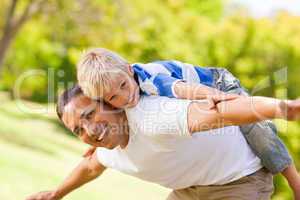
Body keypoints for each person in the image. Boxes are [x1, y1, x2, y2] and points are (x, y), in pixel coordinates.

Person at [76, 48, 300, 198]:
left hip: (214, 83)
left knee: (257, 129)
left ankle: (293, 179)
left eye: (124, 86)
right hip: (195, 96)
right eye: (113, 98)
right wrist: (97, 141)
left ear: (129, 69)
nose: (125, 98)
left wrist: (212, 95)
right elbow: (115, 124)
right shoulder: (118, 89)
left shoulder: (152, 78)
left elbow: (180, 88)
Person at [26, 85, 300, 200]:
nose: (89, 130)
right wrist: (56, 194)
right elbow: (90, 166)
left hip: (240, 179)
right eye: (78, 130)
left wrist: (282, 108)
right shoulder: (107, 149)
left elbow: (225, 112)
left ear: (111, 103)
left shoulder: (155, 116)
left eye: (89, 114)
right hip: (189, 190)